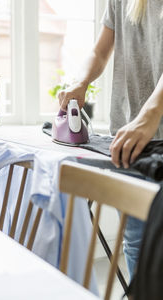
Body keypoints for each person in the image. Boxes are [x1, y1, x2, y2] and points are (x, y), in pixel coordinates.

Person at [58, 0, 163, 278]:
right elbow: (101, 51)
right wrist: (80, 82)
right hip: (130, 139)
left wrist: (150, 114)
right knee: (137, 242)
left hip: (148, 129)